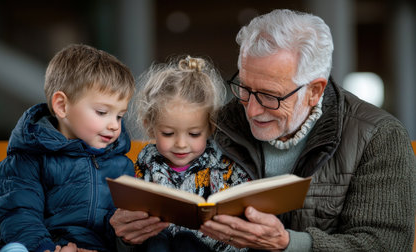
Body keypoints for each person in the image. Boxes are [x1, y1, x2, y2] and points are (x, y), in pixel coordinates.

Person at [110, 9, 416, 252]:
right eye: (244, 87)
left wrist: (288, 243)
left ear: (314, 91)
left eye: (270, 96)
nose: (251, 110)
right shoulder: (216, 122)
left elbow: (386, 245)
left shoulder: (379, 137)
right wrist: (127, 238)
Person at [0, 44, 136, 252]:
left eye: (120, 116)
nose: (114, 125)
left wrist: (127, 235)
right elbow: (19, 215)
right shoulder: (27, 159)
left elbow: (117, 228)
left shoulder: (122, 165)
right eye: (102, 112)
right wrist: (48, 249)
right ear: (62, 106)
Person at [133, 56, 251, 252]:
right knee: (156, 241)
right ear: (150, 127)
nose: (180, 144)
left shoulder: (226, 166)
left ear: (210, 128)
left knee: (185, 242)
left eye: (194, 134)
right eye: (168, 134)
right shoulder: (144, 164)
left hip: (206, 248)